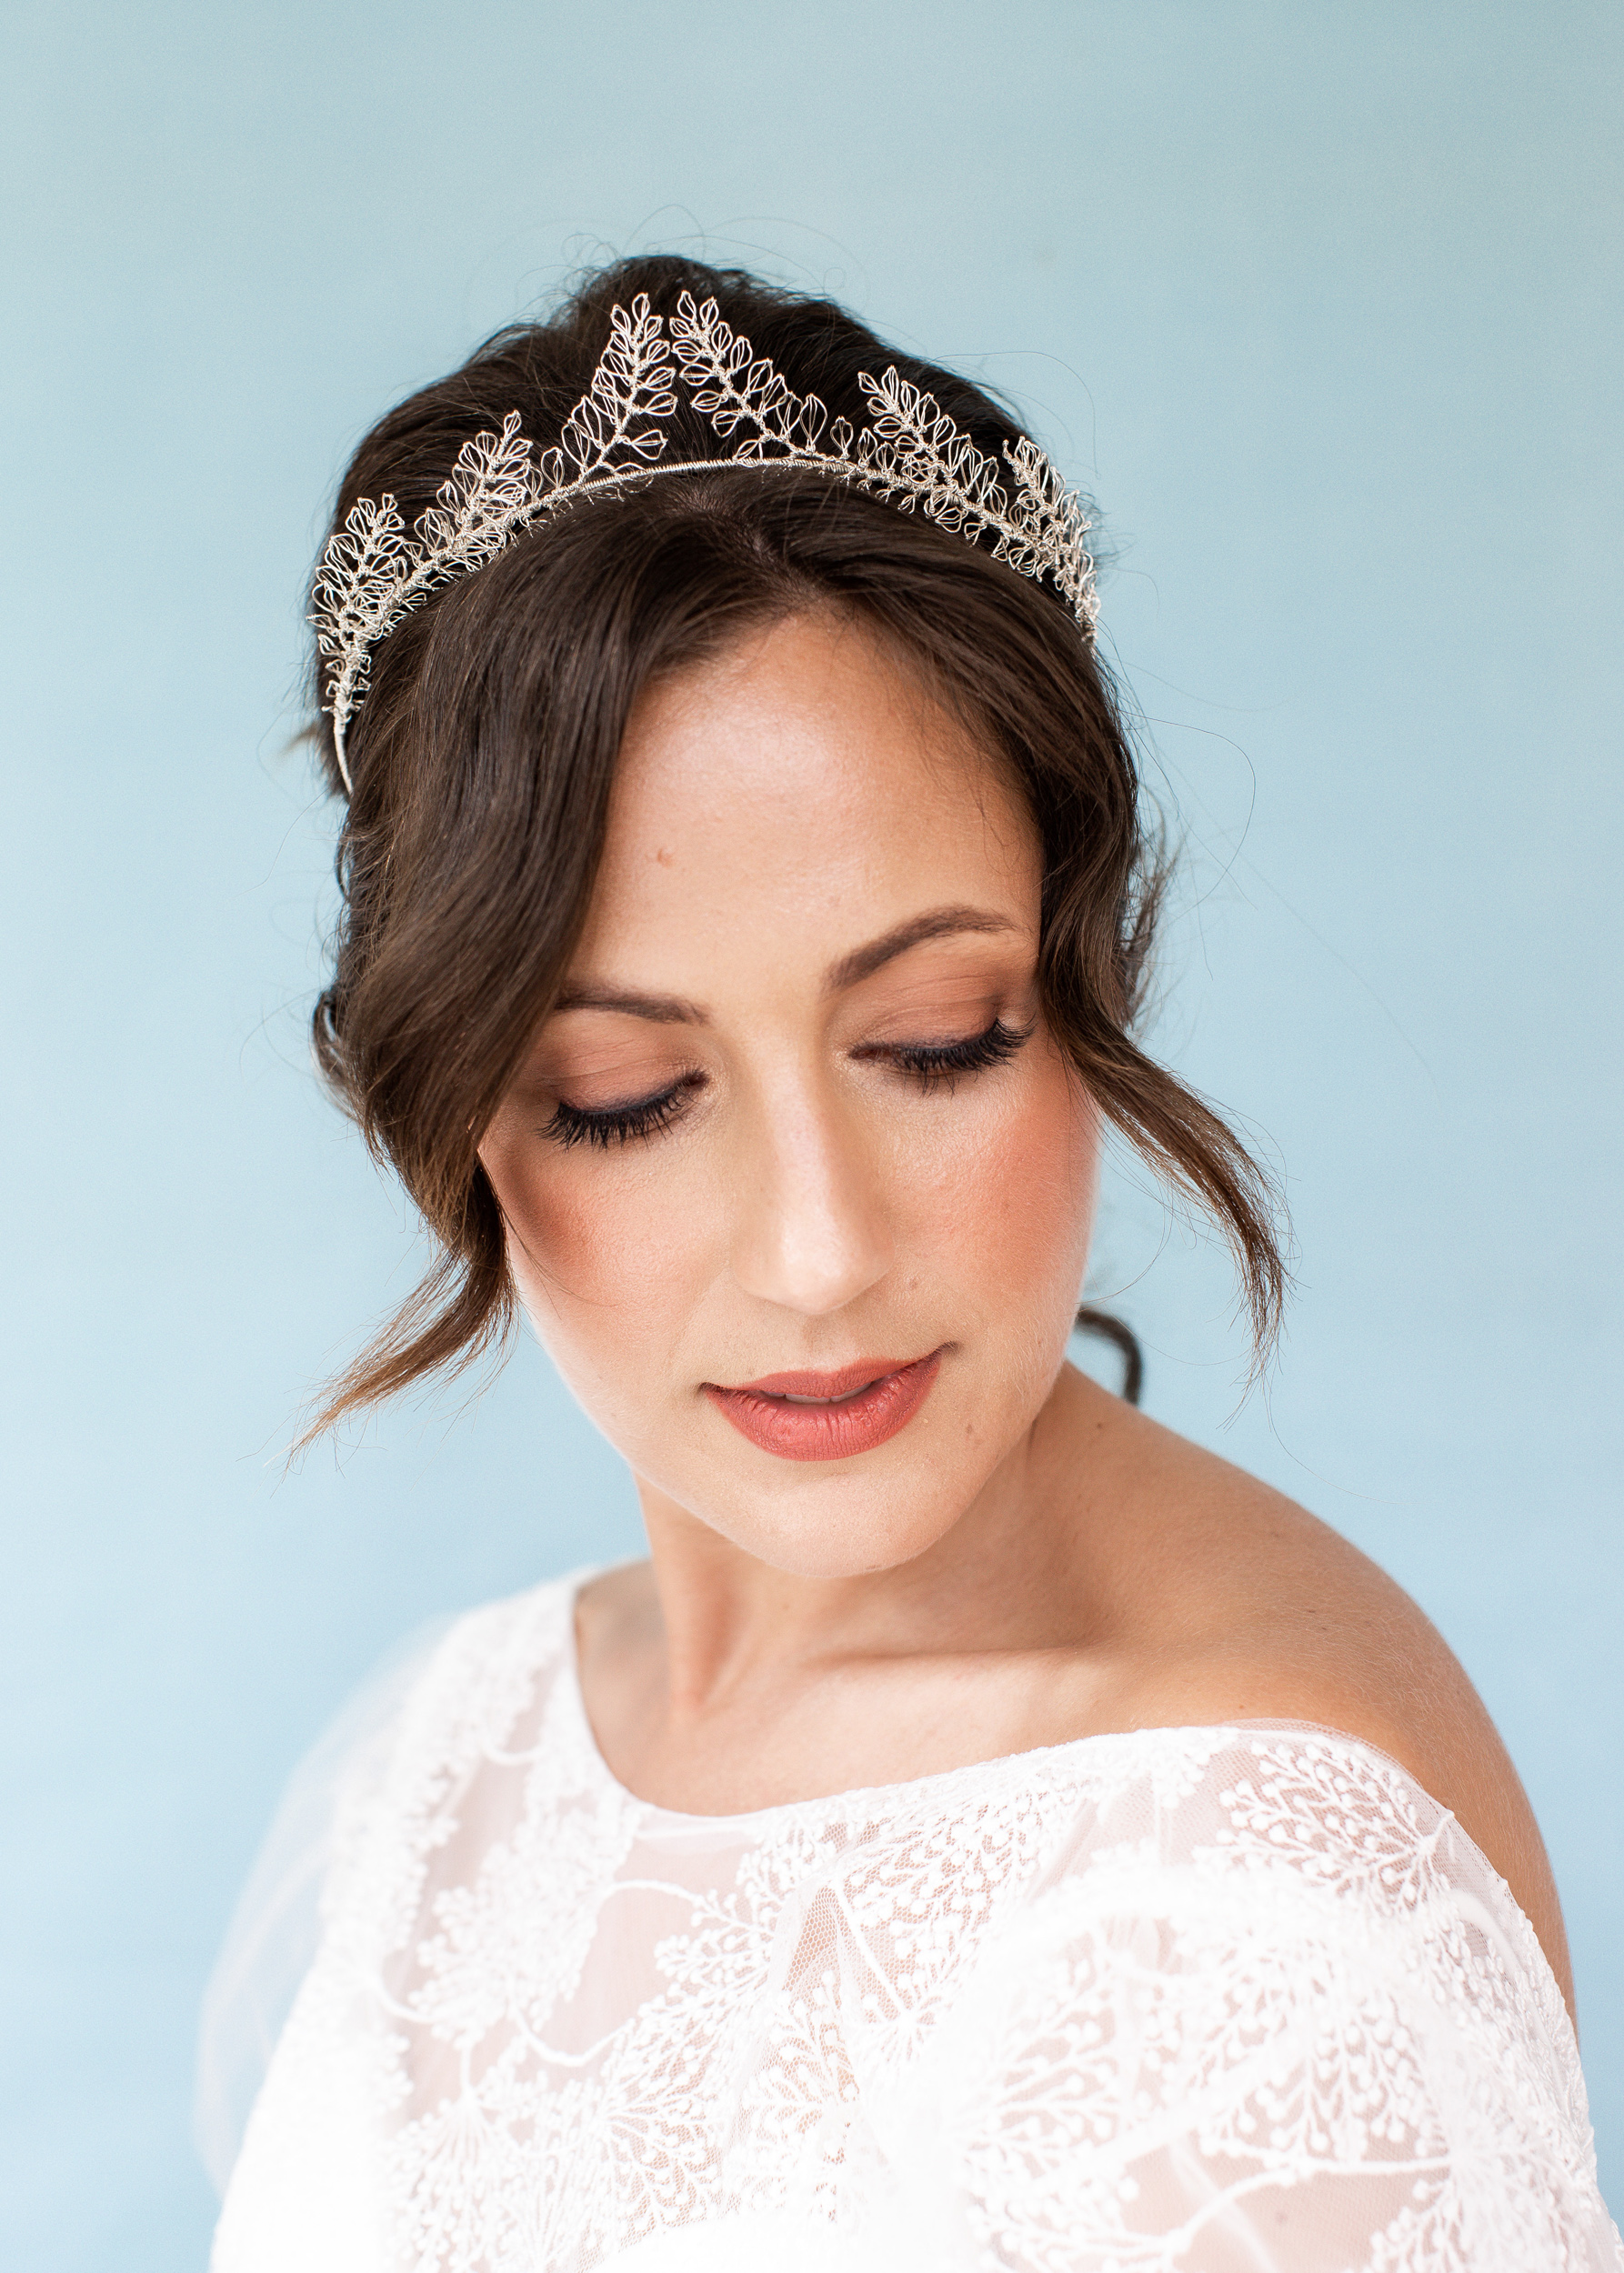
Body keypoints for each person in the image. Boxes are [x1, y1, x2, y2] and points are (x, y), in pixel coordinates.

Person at [199, 256, 1620, 2271]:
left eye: (934, 1041)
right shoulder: (462, 1752)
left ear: (1083, 977)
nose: (818, 1250)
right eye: (625, 1090)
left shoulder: (1250, 1915)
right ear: (454, 1115)